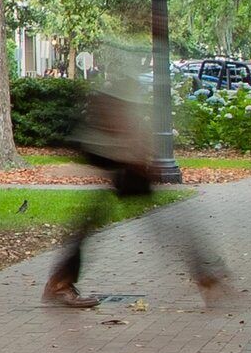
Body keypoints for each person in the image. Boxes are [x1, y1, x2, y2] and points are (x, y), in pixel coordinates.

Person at [40, 56, 230, 306]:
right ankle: (204, 272)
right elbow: (118, 119)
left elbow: (124, 119)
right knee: (157, 219)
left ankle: (60, 282)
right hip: (115, 156)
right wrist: (137, 156)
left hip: (117, 156)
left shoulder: (131, 71)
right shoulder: (129, 75)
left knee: (101, 216)